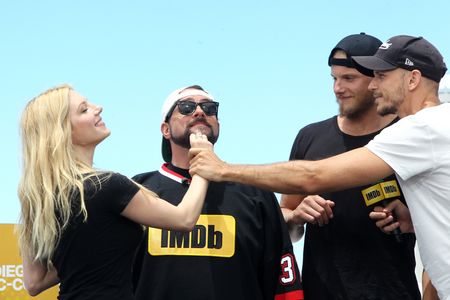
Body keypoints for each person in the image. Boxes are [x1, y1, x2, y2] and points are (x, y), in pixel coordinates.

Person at [189, 35, 450, 299]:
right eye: (335, 78)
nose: (374, 84)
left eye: (382, 76)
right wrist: (415, 221)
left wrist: (222, 169)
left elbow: (313, 176)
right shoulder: (437, 127)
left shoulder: (423, 129)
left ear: (413, 79)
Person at [17, 84, 211, 300]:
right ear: (63, 131)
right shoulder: (106, 186)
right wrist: (203, 161)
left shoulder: (41, 197)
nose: (98, 108)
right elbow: (184, 219)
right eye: (84, 109)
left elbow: (34, 282)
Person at [280, 33, 420, 300]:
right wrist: (297, 215)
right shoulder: (310, 137)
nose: (337, 88)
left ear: (377, 79)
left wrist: (412, 218)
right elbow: (285, 223)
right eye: (334, 78)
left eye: (349, 78)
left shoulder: (408, 135)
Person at [132, 85, 304, 300]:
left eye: (209, 108)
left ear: (218, 125)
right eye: (186, 107)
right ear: (165, 129)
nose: (200, 112)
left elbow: (284, 282)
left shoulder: (255, 193)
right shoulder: (137, 190)